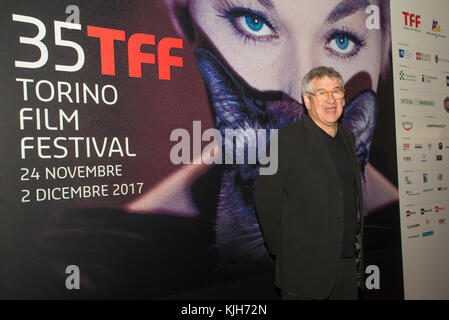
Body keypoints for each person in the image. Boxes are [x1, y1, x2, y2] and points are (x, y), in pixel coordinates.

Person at [253, 66, 364, 300]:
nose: (331, 100)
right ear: (307, 100)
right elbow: (265, 200)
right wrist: (282, 248)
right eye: (321, 93)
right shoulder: (284, 140)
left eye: (336, 91)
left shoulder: (348, 137)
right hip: (304, 269)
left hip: (346, 265)